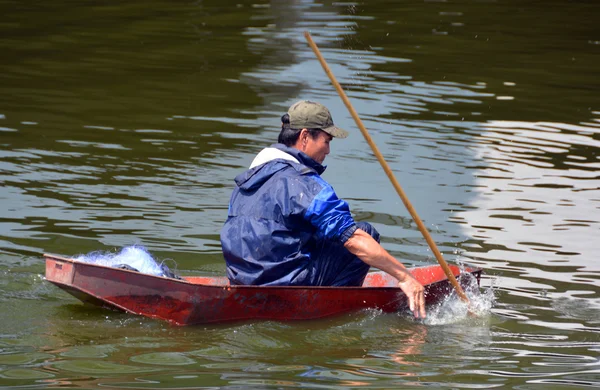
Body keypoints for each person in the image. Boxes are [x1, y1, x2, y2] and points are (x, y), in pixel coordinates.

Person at [220, 100, 426, 318]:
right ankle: (335, 310)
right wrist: (405, 277)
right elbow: (352, 238)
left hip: (242, 280)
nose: (328, 150)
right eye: (326, 141)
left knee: (318, 233)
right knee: (365, 233)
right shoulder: (302, 182)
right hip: (284, 286)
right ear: (305, 136)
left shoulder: (247, 180)